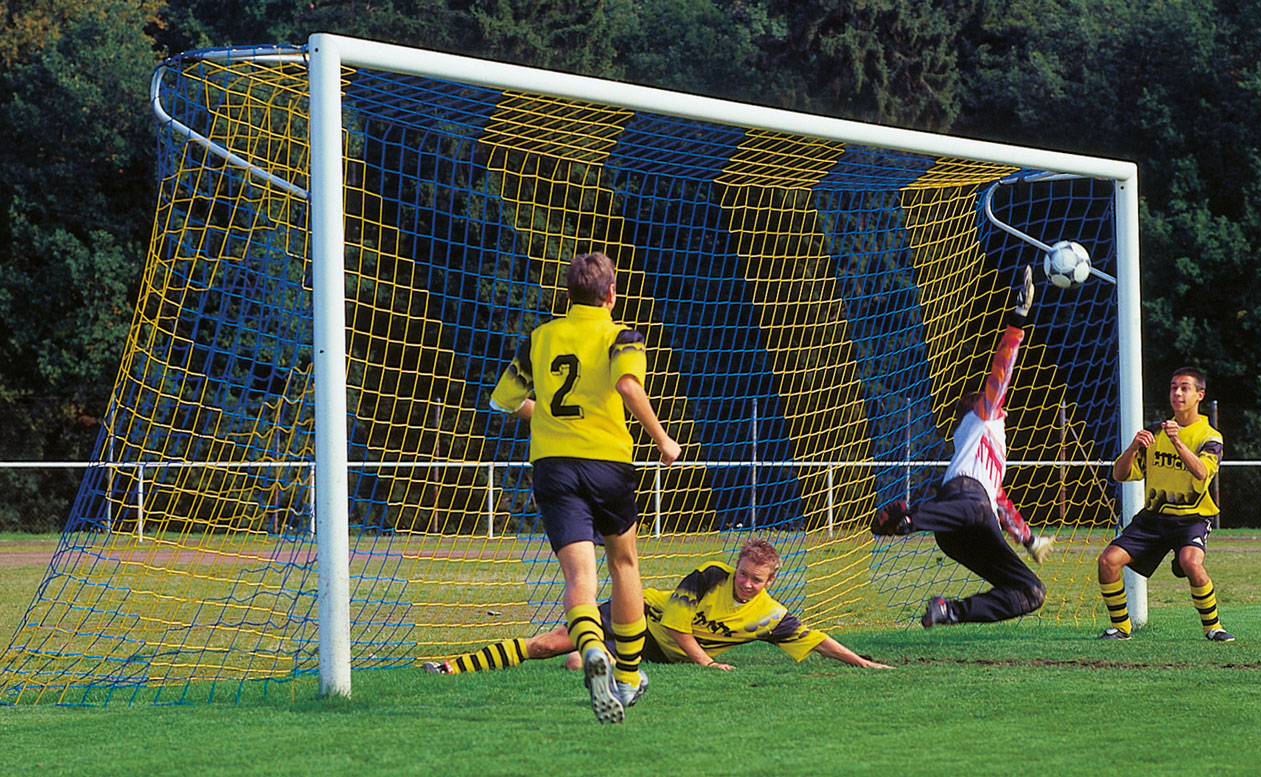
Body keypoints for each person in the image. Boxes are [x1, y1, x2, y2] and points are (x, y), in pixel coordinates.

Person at [487, 251, 681, 724]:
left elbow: (505, 401)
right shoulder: (622, 337)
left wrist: (550, 419)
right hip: (607, 464)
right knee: (624, 562)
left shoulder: (539, 338)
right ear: (611, 294)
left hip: (553, 467)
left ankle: (592, 646)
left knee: (579, 577)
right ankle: (630, 676)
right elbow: (630, 388)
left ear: (567, 295)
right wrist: (663, 439)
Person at [871, 265, 1051, 627]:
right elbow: (1003, 368)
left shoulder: (987, 449)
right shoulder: (984, 417)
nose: (995, 399)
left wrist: (1030, 540)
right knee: (973, 507)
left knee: (1032, 591)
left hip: (962, 529)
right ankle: (909, 516)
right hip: (963, 507)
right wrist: (1018, 320)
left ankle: (950, 611)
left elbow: (999, 500)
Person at [422, 539, 891, 675]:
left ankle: (595, 661)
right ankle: (449, 667)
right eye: (743, 573)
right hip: (639, 614)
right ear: (736, 566)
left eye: (756, 579)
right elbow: (683, 631)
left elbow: (816, 639)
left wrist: (864, 661)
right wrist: (709, 663)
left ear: (771, 581)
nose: (745, 583)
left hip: (654, 652)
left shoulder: (768, 614)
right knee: (550, 643)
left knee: (573, 660)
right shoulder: (710, 576)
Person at [1095, 367, 1233, 641]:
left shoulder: (1210, 436)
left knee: (1191, 563)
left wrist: (1177, 442)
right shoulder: (1154, 432)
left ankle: (1213, 627)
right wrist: (1134, 446)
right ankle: (1121, 629)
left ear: (1199, 395)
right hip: (1153, 518)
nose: (1177, 393)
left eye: (1184, 387)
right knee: (1107, 562)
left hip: (1191, 518)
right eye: (1173, 387)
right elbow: (1120, 475)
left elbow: (1202, 472)